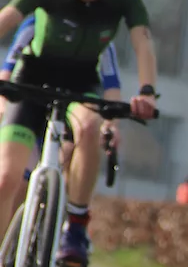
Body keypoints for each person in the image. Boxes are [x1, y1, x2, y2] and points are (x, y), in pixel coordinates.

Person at [0, 0, 157, 267]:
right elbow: (8, 17)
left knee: (89, 127)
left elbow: (143, 41)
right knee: (6, 179)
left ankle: (76, 227)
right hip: (32, 77)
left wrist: (147, 91)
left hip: (82, 81)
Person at [0, 15, 125, 219]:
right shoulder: (36, 22)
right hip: (31, 105)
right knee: (18, 183)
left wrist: (111, 124)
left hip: (68, 113)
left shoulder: (100, 33)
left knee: (73, 155)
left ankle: (67, 221)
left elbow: (112, 86)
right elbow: (7, 70)